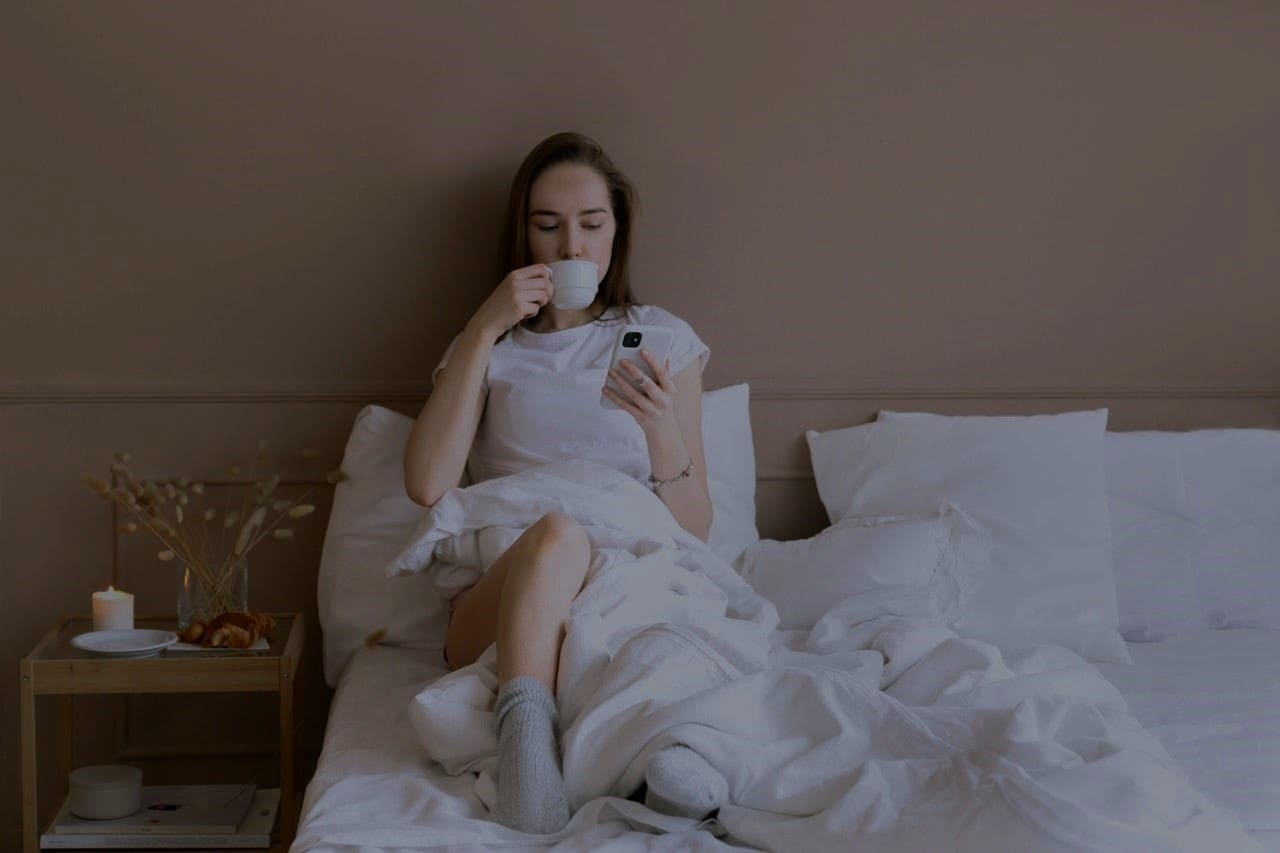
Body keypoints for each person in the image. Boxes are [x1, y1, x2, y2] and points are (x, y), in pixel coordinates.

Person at [403, 132, 728, 834]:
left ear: (617, 233)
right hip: (498, 595)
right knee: (556, 532)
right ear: (523, 235)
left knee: (651, 625)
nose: (571, 247)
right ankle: (528, 753)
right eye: (547, 226)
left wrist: (661, 428)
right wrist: (485, 326)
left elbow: (693, 529)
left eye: (591, 225)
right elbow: (428, 484)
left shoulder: (663, 339)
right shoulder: (488, 347)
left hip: (626, 576)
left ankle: (660, 769)